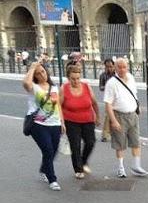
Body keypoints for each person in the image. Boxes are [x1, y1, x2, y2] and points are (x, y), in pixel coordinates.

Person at [22, 60, 65, 191]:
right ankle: (52, 179)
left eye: (43, 71)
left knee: (54, 150)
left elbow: (57, 105)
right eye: (38, 73)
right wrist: (33, 66)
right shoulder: (33, 88)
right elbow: (26, 83)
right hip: (38, 124)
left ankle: (43, 168)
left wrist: (62, 122)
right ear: (35, 76)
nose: (42, 74)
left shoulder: (53, 87)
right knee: (47, 150)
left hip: (55, 123)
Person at [104, 58, 148, 178]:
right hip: (119, 115)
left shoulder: (131, 78)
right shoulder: (112, 83)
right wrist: (113, 121)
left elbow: (134, 93)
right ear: (115, 68)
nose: (122, 69)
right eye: (119, 67)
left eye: (124, 67)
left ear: (127, 67)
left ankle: (136, 166)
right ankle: (121, 167)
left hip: (132, 115)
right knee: (120, 143)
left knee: (136, 141)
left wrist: (137, 106)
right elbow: (108, 104)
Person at [60, 63, 100, 179]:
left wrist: (98, 116)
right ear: (68, 78)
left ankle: (83, 160)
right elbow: (58, 105)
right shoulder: (64, 88)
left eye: (78, 78)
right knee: (75, 144)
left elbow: (94, 103)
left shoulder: (87, 86)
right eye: (73, 79)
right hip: (71, 121)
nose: (76, 81)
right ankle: (78, 169)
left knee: (90, 142)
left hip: (88, 119)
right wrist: (62, 122)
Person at [99, 58, 115, 141]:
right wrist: (107, 87)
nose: (109, 69)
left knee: (118, 116)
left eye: (111, 66)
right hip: (108, 99)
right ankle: (105, 135)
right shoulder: (103, 76)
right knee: (108, 116)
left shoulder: (117, 75)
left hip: (117, 98)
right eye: (107, 67)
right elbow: (101, 87)